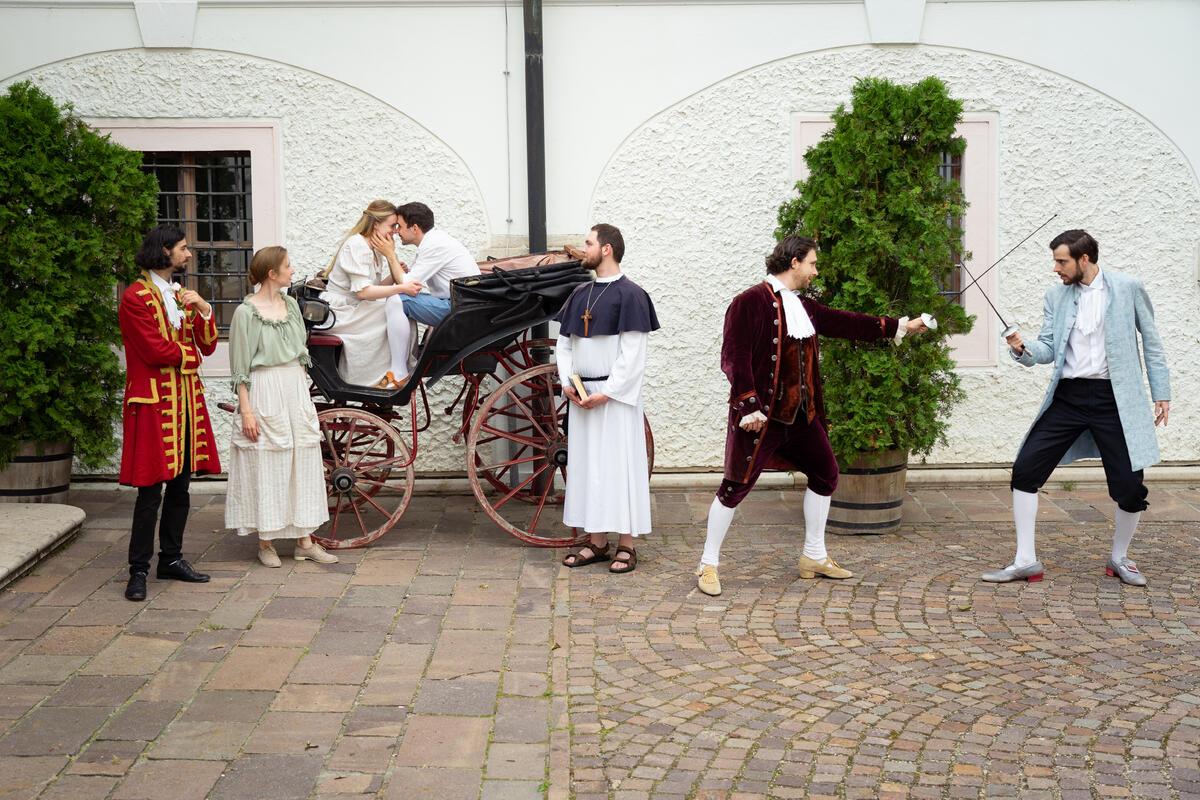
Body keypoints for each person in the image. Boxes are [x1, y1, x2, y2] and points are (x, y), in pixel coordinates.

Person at [695, 235, 930, 596]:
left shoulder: (802, 306)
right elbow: (734, 356)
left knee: (826, 474)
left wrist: (898, 326)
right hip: (762, 417)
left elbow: (846, 323)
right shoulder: (748, 302)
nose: (815, 271)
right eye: (813, 264)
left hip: (802, 417)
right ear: (794, 263)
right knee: (735, 485)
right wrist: (748, 405)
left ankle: (814, 556)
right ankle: (708, 564)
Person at [982, 229, 1170, 586]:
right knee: (1025, 470)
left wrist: (1162, 393)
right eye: (1055, 261)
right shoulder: (1057, 296)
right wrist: (1022, 348)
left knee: (1130, 487)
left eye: (1062, 261)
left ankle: (1120, 558)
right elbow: (1050, 348)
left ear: (1085, 259)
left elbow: (1153, 343)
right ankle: (1025, 560)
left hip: (1114, 400)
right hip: (1068, 397)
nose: (1056, 268)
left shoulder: (1128, 288)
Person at [118, 225, 221, 601]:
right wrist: (189, 357)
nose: (188, 254)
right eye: (183, 248)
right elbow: (154, 350)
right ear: (164, 251)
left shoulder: (179, 295)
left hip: (185, 403)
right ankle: (138, 570)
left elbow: (207, 346)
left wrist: (205, 309)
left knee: (181, 487)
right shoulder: (135, 297)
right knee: (149, 493)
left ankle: (172, 559)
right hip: (153, 404)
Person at [225, 246, 338, 567]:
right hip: (265, 389)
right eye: (287, 266)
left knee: (301, 460)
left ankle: (304, 541)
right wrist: (246, 409)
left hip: (293, 388)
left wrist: (301, 392)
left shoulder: (290, 305)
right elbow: (240, 368)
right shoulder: (246, 313)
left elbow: (300, 350)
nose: (292, 270)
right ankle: (266, 543)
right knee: (267, 463)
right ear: (272, 274)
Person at [557, 224, 660, 574]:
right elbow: (565, 343)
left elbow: (632, 354)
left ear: (606, 249)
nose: (582, 247)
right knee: (588, 469)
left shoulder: (631, 295)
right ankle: (597, 542)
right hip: (582, 396)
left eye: (588, 242)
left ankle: (627, 545)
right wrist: (568, 383)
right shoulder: (580, 292)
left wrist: (608, 392)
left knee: (619, 467)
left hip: (614, 399)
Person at [374, 202, 480, 385]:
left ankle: (398, 373)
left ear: (414, 228)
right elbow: (408, 283)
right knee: (400, 298)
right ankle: (401, 368)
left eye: (399, 226)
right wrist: (398, 269)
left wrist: (390, 255)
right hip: (460, 305)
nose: (396, 231)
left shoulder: (434, 245)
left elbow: (405, 285)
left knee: (396, 299)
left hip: (460, 309)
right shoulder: (433, 241)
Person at [319, 200, 414, 388]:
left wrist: (391, 267)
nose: (395, 230)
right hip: (340, 311)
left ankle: (397, 370)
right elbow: (363, 292)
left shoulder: (373, 248)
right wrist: (401, 288)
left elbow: (373, 288)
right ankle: (377, 377)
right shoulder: (357, 245)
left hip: (354, 305)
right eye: (392, 225)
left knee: (403, 311)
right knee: (395, 309)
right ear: (376, 224)